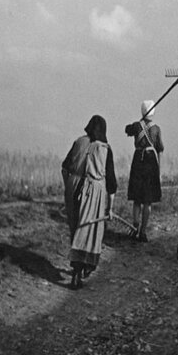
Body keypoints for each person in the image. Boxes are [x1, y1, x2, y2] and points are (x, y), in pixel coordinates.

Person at [66, 115, 117, 289]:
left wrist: (69, 187)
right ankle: (82, 270)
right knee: (89, 232)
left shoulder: (79, 142)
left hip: (73, 189)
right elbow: (111, 183)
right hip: (93, 192)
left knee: (76, 230)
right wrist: (110, 208)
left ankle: (77, 268)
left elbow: (65, 166)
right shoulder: (104, 149)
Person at [125, 100, 164, 242]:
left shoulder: (136, 126)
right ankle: (143, 231)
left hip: (138, 162)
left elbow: (127, 130)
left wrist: (139, 123)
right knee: (147, 200)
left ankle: (135, 227)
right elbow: (159, 150)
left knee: (137, 198)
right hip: (151, 163)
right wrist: (159, 171)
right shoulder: (156, 129)